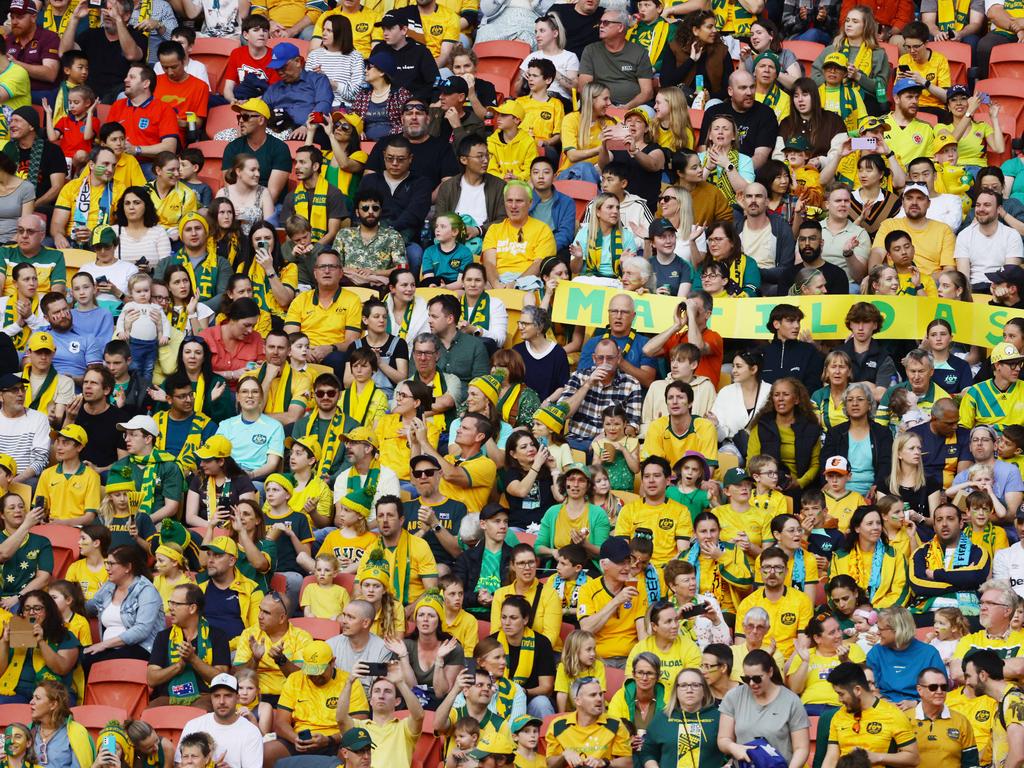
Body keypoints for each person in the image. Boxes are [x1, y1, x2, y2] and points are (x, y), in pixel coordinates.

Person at [262, 640, 369, 766]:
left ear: (333, 662)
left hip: (336, 741)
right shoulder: (295, 679)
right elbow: (280, 723)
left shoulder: (350, 682)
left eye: (319, 672)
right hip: (301, 740)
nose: (315, 677)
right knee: (266, 752)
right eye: (310, 672)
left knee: (349, 755)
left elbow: (359, 725)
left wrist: (329, 740)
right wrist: (295, 738)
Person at [718, 649, 810, 767]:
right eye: (746, 679)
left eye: (757, 678)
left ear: (770, 672)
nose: (751, 683)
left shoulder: (791, 701)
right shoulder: (734, 696)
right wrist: (734, 747)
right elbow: (723, 739)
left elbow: (801, 748)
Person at [146, 583, 230, 708]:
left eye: (176, 604)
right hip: (168, 697)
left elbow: (221, 679)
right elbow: (151, 679)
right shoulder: (163, 637)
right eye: (170, 603)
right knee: (150, 713)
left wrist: (193, 659)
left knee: (202, 712)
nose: (170, 608)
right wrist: (178, 666)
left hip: (203, 696)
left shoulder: (217, 636)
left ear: (192, 608)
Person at [283, 249, 362, 381]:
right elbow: (290, 336)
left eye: (332, 267)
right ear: (315, 273)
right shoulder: (301, 300)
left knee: (338, 359)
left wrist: (330, 348)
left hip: (333, 353)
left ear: (341, 273)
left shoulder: (352, 300)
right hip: (303, 351)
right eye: (322, 267)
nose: (326, 271)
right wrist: (304, 350)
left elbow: (351, 342)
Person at [821, 662, 919, 767]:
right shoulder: (838, 716)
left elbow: (913, 758)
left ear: (857, 690)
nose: (839, 700)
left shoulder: (893, 714)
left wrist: (878, 757)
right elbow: (831, 758)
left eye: (841, 694)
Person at [83, 544, 164, 670]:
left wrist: (104, 645)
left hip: (140, 649)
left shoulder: (146, 591)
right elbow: (90, 608)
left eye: (112, 564)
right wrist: (70, 601)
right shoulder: (109, 586)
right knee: (77, 656)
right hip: (110, 648)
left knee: (97, 664)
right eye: (106, 563)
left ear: (128, 567)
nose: (107, 568)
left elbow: (141, 630)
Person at [559, 339, 643, 452]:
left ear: (618, 357)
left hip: (611, 443)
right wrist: (588, 384)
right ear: (594, 358)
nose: (604, 363)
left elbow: (632, 427)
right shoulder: (579, 376)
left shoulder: (631, 384)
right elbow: (562, 412)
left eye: (610, 358)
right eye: (600, 358)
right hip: (576, 441)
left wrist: (606, 436)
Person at [57, 0, 145, 102]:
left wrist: (118, 20)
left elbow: (131, 55)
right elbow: (64, 53)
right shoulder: (91, 35)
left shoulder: (138, 37)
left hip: (121, 97)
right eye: (105, 9)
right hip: (89, 97)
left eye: (112, 10)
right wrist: (75, 18)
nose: (107, 14)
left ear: (126, 16)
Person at [175, 673, 264, 768]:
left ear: (237, 698)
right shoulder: (194, 725)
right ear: (211, 698)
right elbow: (179, 764)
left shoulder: (251, 732)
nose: (222, 701)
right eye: (217, 696)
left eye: (228, 696)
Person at [641, 667, 725, 768]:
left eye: (695, 685)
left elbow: (733, 749)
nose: (689, 690)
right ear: (676, 691)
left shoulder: (719, 718)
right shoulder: (662, 718)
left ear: (704, 690)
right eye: (684, 685)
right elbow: (647, 752)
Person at [546, 677, 633, 768]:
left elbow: (629, 762)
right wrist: (564, 755)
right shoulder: (558, 725)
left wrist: (605, 762)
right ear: (578, 701)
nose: (599, 699)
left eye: (600, 694)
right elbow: (550, 764)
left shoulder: (615, 724)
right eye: (593, 695)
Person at [699, 70, 778, 169]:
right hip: (714, 170)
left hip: (748, 173)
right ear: (730, 91)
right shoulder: (713, 112)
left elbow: (760, 157)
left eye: (752, 87)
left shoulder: (766, 114)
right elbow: (703, 148)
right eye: (743, 88)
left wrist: (734, 172)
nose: (749, 92)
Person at [221, 98, 291, 204]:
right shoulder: (232, 147)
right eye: (239, 116)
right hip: (238, 205)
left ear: (261, 120)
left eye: (245, 117)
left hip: (270, 207)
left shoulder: (280, 148)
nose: (240, 121)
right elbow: (230, 190)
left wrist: (250, 213)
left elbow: (272, 196)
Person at [28, 680, 94, 768]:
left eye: (38, 698)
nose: (31, 702)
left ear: (53, 704)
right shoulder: (29, 730)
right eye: (33, 697)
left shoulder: (76, 732)